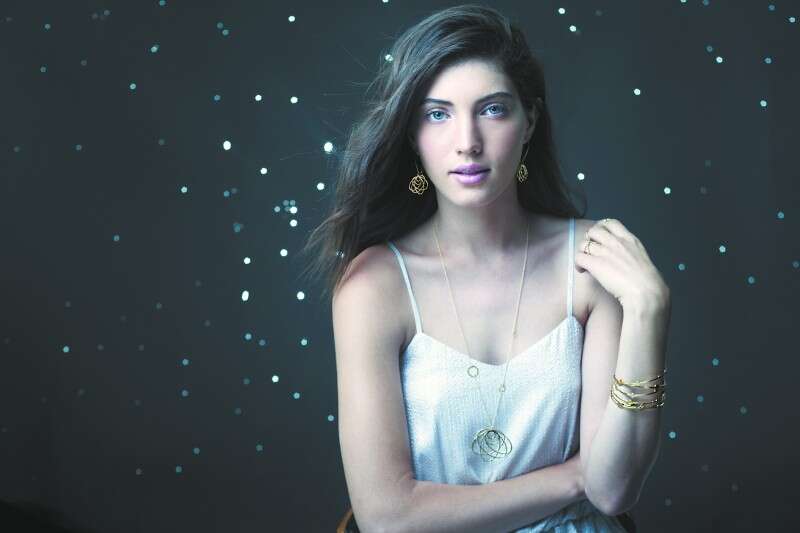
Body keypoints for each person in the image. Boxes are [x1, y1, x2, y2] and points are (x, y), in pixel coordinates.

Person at [302, 4, 669, 532]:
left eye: (493, 109)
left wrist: (650, 312)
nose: (467, 142)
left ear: (529, 121)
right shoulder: (374, 285)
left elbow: (611, 489)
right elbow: (387, 518)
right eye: (437, 114)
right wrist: (572, 478)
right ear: (411, 135)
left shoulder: (593, 260)